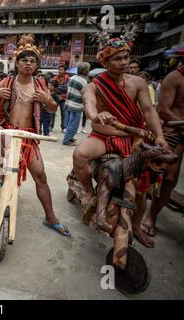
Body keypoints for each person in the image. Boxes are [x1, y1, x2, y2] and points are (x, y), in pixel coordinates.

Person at [73, 25, 168, 247]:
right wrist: (96, 116)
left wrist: (160, 136)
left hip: (133, 138)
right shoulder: (94, 85)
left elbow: (148, 111)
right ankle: (89, 192)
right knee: (79, 155)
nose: (123, 62)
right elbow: (89, 105)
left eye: (126, 57)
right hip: (104, 138)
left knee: (141, 189)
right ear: (104, 63)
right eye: (117, 59)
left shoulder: (138, 83)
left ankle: (135, 227)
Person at [0, 34, 70, 237]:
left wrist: (47, 99)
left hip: (29, 136)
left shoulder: (40, 84)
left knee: (40, 175)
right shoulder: (6, 81)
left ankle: (51, 217)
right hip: (7, 130)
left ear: (37, 64)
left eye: (33, 61)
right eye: (24, 60)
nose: (29, 64)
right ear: (17, 62)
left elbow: (52, 109)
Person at [142, 61, 184, 238]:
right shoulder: (175, 78)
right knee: (168, 177)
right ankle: (150, 217)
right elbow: (162, 110)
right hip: (173, 131)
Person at [62, 62, 90, 146]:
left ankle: (69, 137)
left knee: (70, 122)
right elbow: (85, 95)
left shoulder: (72, 77)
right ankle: (67, 140)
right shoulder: (83, 82)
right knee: (73, 124)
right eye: (88, 70)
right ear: (85, 71)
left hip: (69, 103)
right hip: (76, 105)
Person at [52, 65, 69, 133]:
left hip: (63, 98)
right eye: (59, 69)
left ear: (65, 71)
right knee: (52, 111)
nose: (60, 71)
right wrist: (61, 88)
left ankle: (64, 127)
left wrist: (57, 87)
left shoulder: (67, 78)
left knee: (64, 113)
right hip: (55, 97)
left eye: (61, 69)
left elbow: (66, 88)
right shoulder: (55, 78)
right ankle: (51, 126)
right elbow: (53, 87)